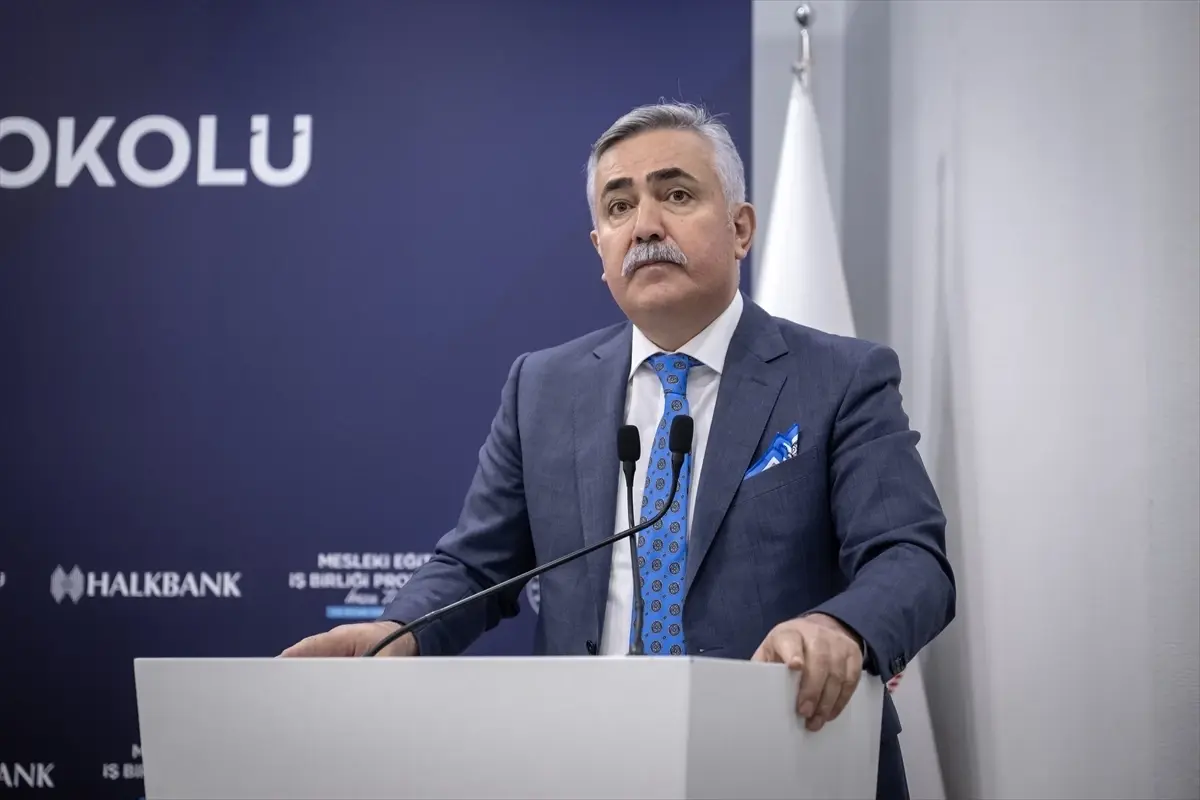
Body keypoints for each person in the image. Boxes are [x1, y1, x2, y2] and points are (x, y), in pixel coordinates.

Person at [281, 102, 955, 800]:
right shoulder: (542, 387)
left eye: (677, 195)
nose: (646, 226)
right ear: (600, 247)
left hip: (786, 757)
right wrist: (398, 631)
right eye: (619, 206)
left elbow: (911, 559)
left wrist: (839, 626)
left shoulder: (839, 377)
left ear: (740, 228)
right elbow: (476, 564)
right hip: (586, 763)